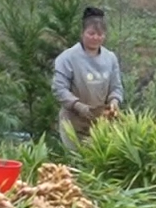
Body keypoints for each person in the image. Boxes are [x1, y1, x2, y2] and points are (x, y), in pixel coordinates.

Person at [52, 7, 124, 149]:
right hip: (74, 123)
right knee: (76, 159)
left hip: (101, 124)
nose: (95, 38)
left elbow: (116, 87)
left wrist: (114, 102)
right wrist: (79, 106)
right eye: (91, 33)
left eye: (100, 34)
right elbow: (59, 89)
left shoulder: (110, 58)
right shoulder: (67, 57)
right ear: (82, 33)